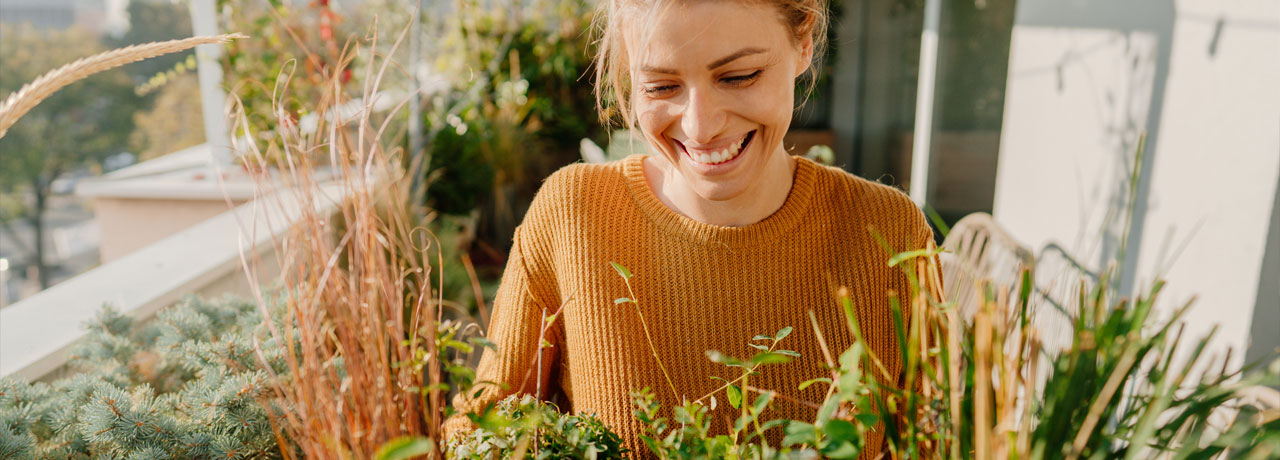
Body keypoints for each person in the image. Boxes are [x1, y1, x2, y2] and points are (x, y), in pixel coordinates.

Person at [443, 0, 936, 457]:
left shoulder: (889, 235)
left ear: (802, 42)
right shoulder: (573, 217)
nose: (701, 127)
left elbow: (939, 440)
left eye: (740, 76)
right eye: (661, 86)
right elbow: (482, 432)